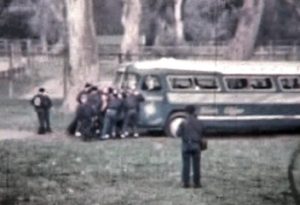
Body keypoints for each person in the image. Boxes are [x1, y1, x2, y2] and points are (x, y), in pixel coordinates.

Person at [177, 105, 203, 188]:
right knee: (196, 165)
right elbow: (203, 132)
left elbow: (178, 133)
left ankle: (186, 183)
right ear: (194, 111)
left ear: (186, 112)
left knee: (186, 165)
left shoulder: (183, 122)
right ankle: (197, 183)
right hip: (196, 145)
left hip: (186, 145)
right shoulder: (199, 122)